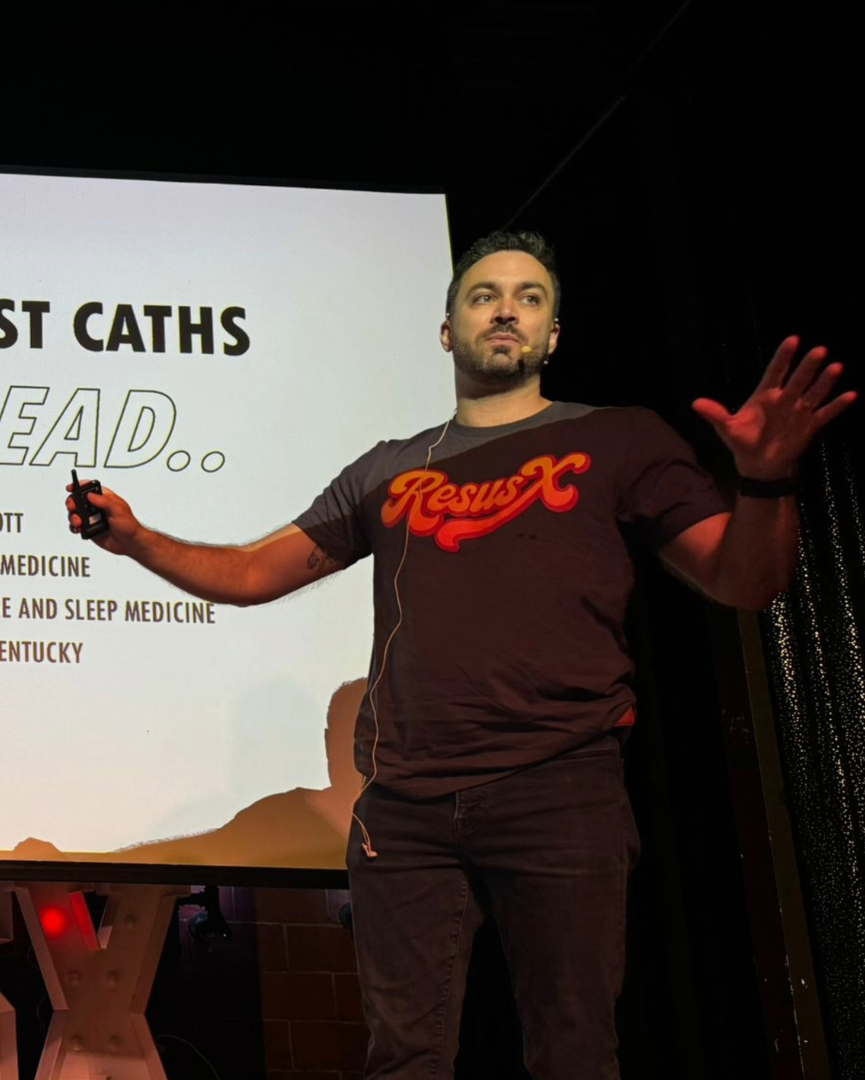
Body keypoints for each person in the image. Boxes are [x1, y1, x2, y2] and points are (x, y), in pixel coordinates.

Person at [67, 232, 856, 1079]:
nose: (505, 310)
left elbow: (744, 580)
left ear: (553, 334)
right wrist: (138, 539)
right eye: (483, 296)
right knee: (403, 1060)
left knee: (573, 1055)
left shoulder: (619, 438)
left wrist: (765, 480)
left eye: (528, 297)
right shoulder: (386, 469)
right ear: (447, 331)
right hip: (404, 805)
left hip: (559, 786)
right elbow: (254, 573)